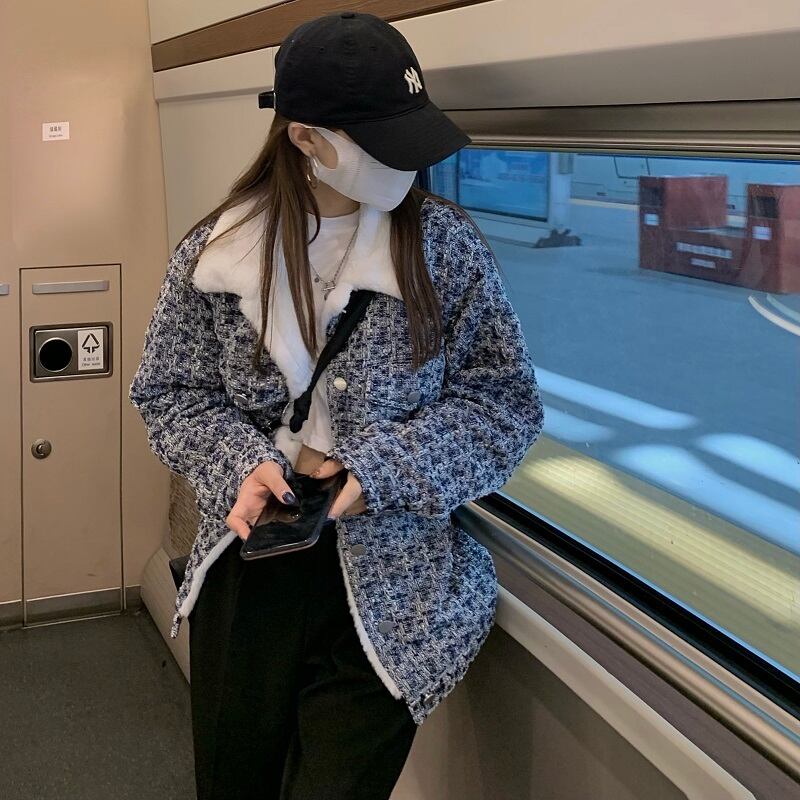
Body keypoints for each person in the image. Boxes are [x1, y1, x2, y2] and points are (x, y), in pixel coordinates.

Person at [129, 10, 544, 800]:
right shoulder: (215, 253)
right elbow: (171, 392)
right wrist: (241, 464)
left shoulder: (446, 248)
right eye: (383, 144)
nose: (410, 164)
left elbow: (502, 405)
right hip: (250, 558)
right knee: (234, 781)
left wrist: (376, 469)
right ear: (306, 139)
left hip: (396, 577)